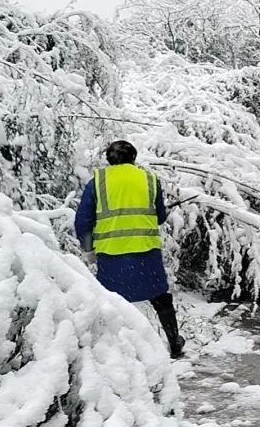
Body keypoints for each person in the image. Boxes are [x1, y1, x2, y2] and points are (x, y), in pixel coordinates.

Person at [74, 140, 185, 358]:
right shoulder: (150, 179)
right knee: (161, 299)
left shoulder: (97, 182)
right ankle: (174, 344)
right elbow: (160, 217)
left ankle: (109, 352)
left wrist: (88, 251)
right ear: (134, 158)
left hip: (112, 254)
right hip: (146, 252)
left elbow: (83, 221)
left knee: (108, 302)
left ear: (108, 159)